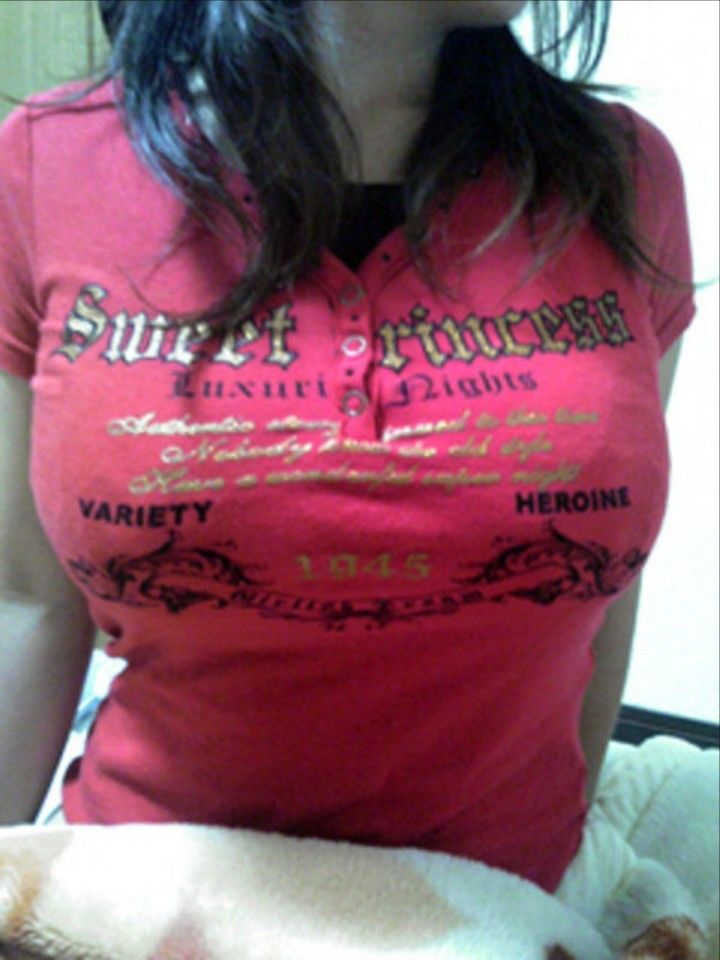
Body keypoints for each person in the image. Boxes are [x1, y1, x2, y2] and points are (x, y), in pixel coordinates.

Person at [0, 0, 698, 895]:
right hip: (147, 900)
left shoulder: (621, 177)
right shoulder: (45, 164)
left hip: (505, 912)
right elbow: (27, 601)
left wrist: (540, 894)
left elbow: (603, 575)